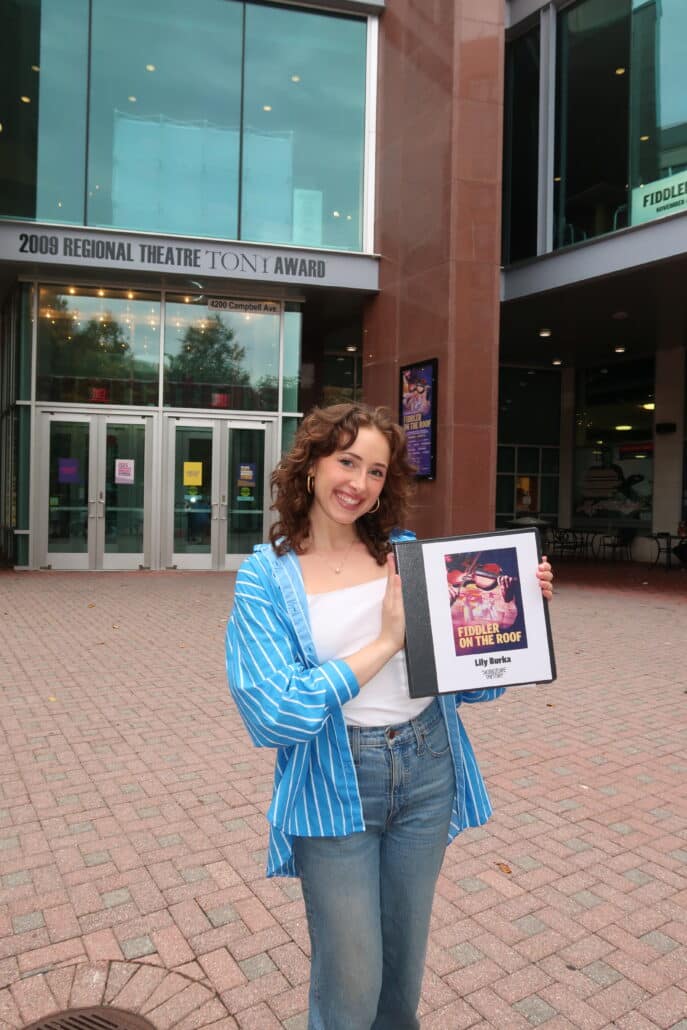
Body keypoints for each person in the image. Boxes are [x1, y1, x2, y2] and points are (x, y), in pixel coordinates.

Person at [225, 402, 554, 1030]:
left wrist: (517, 616)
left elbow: (475, 687)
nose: (359, 482)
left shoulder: (408, 555)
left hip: (428, 767)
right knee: (351, 982)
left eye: (376, 471)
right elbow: (274, 714)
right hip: (334, 779)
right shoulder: (265, 578)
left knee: (402, 973)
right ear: (312, 466)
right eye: (347, 461)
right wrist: (383, 643)